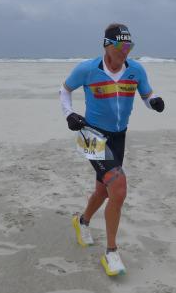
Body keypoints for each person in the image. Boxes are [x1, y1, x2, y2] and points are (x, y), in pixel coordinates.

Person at [59, 23, 165, 276]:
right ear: (107, 45)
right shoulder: (87, 69)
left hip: (119, 137)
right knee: (118, 187)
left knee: (103, 191)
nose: (125, 51)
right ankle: (111, 253)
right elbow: (65, 90)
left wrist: (154, 102)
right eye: (120, 45)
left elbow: (146, 95)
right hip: (93, 136)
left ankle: (82, 222)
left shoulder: (136, 70)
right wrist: (69, 114)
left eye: (129, 46)